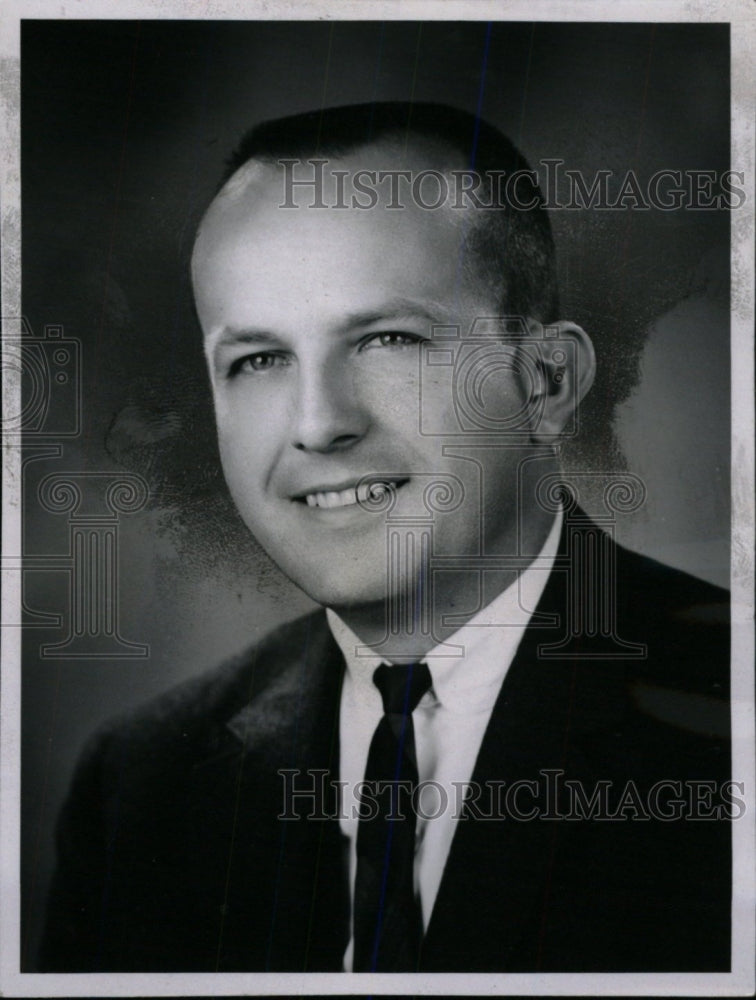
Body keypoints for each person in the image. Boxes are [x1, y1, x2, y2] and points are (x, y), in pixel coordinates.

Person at [39, 102, 731, 974]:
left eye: (388, 338)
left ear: (547, 381)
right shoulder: (142, 787)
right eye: (257, 360)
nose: (319, 425)